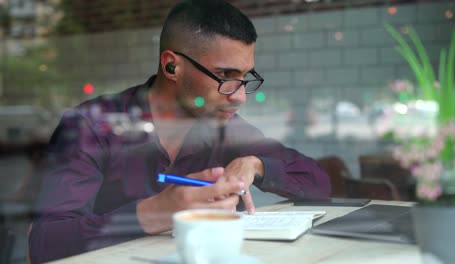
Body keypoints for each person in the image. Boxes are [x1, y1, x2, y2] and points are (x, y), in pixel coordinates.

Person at [29, 0, 331, 263]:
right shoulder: (91, 125)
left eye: (245, 77)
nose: (240, 96)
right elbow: (46, 244)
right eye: (225, 75)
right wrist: (155, 212)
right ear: (172, 67)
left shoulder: (223, 127)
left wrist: (258, 165)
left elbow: (319, 183)